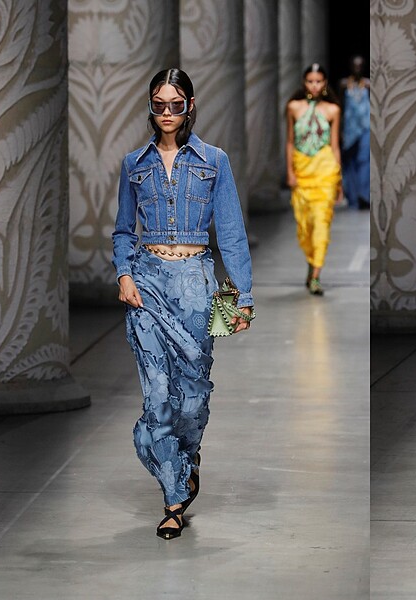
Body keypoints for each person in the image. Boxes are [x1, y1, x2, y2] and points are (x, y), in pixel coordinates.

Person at [113, 68, 255, 540]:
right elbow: (123, 229)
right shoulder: (134, 164)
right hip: (147, 283)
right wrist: (124, 273)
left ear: (190, 105)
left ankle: (187, 460)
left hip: (196, 284)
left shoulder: (214, 160)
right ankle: (173, 496)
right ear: (150, 106)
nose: (167, 113)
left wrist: (242, 298)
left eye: (176, 104)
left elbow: (231, 232)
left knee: (193, 397)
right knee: (157, 393)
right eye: (159, 104)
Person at [285, 63, 342, 296]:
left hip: (325, 171)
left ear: (325, 83)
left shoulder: (333, 110)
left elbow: (334, 146)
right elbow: (290, 142)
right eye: (310, 81)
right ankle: (312, 262)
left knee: (321, 223)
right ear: (304, 82)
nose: (315, 85)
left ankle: (316, 276)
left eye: (319, 81)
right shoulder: (293, 107)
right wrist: (289, 172)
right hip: (302, 171)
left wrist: (339, 180)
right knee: (305, 226)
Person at [339, 55, 370, 211]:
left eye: (360, 65)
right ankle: (352, 197)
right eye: (355, 65)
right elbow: (340, 106)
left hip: (366, 126)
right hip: (350, 127)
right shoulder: (344, 84)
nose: (357, 68)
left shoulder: (368, 84)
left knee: (364, 160)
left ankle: (364, 195)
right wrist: (340, 129)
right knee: (350, 162)